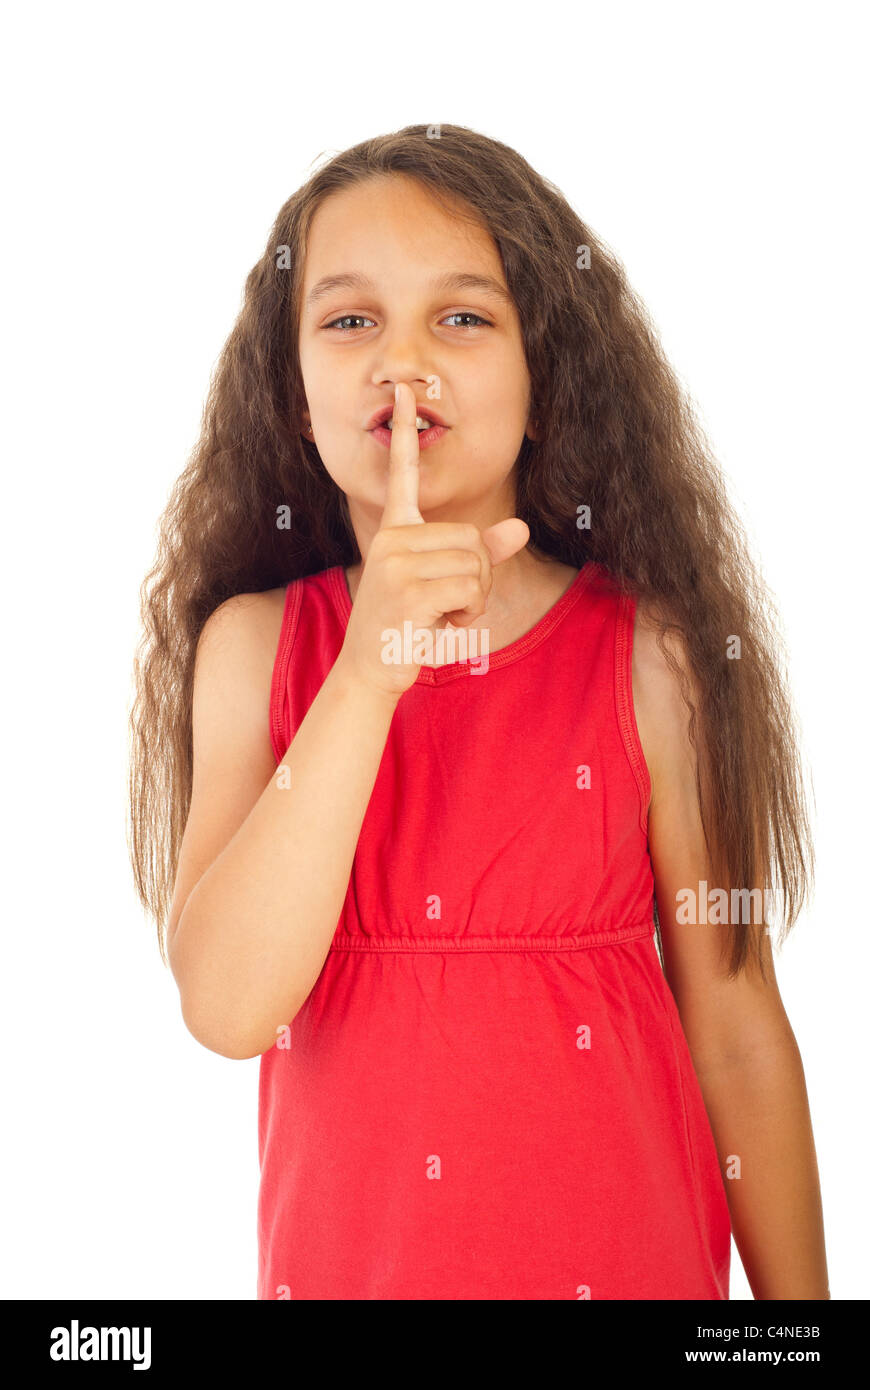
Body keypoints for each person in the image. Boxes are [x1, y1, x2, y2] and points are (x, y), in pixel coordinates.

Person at [128, 124, 830, 1300]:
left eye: (461, 317)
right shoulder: (254, 652)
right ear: (297, 399)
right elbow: (229, 1005)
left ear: (544, 382)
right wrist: (370, 667)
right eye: (350, 321)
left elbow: (737, 1022)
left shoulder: (651, 658)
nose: (403, 365)